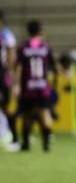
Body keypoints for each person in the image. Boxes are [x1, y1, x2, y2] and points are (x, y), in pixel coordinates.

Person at [13, 20, 57, 152]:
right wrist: (54, 83)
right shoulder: (45, 47)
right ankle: (46, 142)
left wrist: (16, 85)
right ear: (40, 31)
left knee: (27, 115)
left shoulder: (24, 47)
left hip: (28, 87)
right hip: (43, 87)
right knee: (45, 113)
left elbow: (19, 68)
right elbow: (54, 67)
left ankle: (26, 143)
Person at [0, 11, 18, 146]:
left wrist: (11, 72)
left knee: (5, 106)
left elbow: (12, 55)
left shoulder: (6, 34)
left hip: (2, 74)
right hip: (3, 74)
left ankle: (13, 137)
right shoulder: (7, 34)